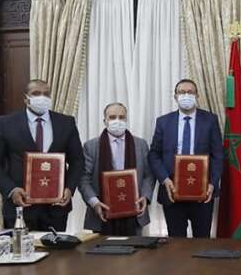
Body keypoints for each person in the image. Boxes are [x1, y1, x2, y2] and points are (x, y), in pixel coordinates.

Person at [0, 79, 84, 230]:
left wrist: (69, 188)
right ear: (26, 98)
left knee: (55, 247)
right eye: (36, 93)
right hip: (20, 207)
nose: (42, 97)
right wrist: (11, 190)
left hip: (56, 209)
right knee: (20, 246)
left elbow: (77, 161)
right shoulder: (6, 123)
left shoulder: (66, 123)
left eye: (46, 94)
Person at [148, 79, 222, 238]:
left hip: (203, 192)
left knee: (202, 241)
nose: (186, 95)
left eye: (190, 92)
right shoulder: (163, 122)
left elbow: (218, 155)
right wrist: (164, 179)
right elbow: (154, 154)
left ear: (197, 96)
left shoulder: (210, 120)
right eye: (182, 92)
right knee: (176, 243)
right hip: (172, 191)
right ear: (175, 96)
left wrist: (212, 183)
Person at [79, 103, 155, 236]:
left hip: (135, 212)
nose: (117, 121)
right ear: (105, 121)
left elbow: (149, 175)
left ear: (126, 119)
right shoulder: (91, 146)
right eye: (112, 117)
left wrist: (145, 196)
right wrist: (94, 202)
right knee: (103, 249)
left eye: (121, 117)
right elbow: (84, 178)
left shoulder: (141, 144)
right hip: (102, 213)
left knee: (135, 249)